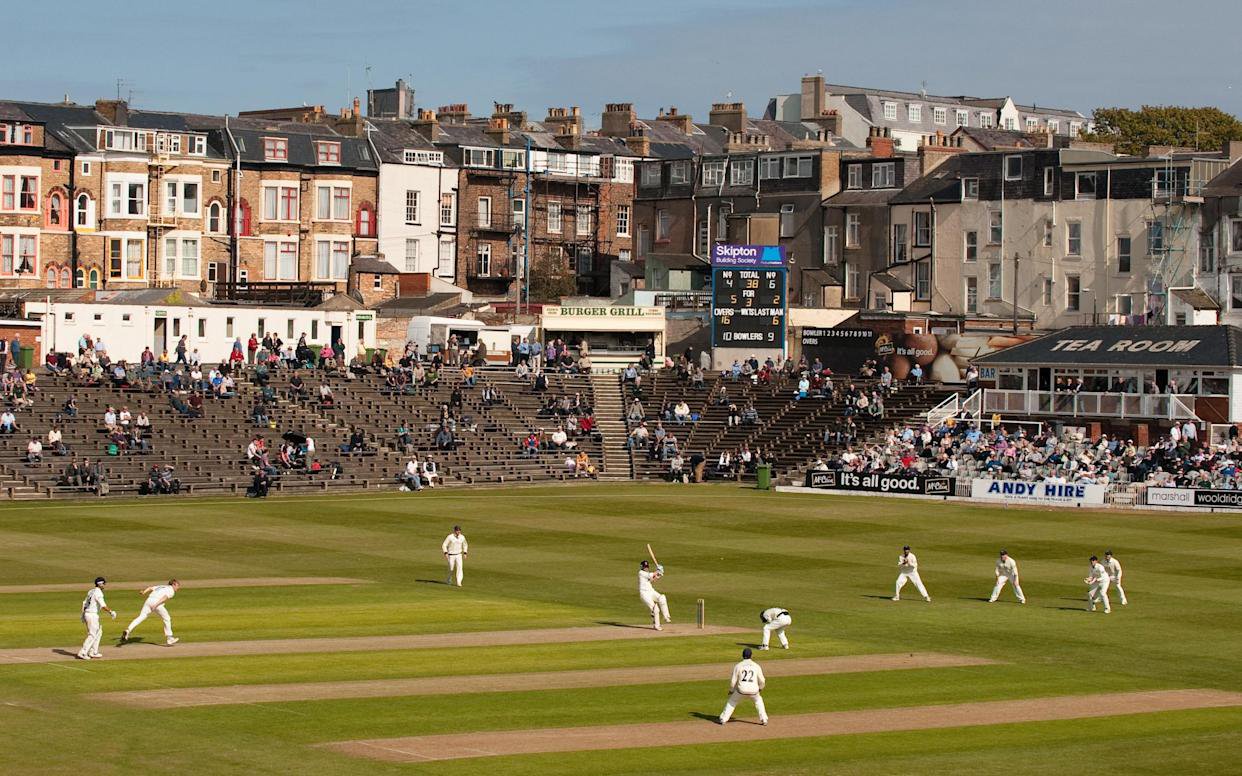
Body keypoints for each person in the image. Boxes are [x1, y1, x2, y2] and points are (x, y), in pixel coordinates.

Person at [121, 579, 181, 645]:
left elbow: (150, 588)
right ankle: (169, 639)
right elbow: (165, 597)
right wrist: (156, 605)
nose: (178, 587)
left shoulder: (162, 586)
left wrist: (144, 592)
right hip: (156, 602)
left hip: (148, 600)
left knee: (141, 617)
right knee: (167, 618)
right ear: (173, 584)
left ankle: (128, 630)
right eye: (178, 585)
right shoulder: (171, 590)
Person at [717, 647, 767, 726]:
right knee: (758, 701)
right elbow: (762, 680)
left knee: (732, 701)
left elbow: (733, 681)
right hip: (754, 690)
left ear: (742, 655)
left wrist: (731, 690)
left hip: (741, 690)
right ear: (751, 655)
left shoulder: (738, 666)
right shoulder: (756, 666)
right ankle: (764, 719)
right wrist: (760, 688)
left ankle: (723, 719)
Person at [77, 576, 116, 660]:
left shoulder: (91, 591)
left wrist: (83, 615)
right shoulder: (98, 593)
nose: (104, 586)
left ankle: (93, 652)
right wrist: (111, 612)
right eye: (103, 584)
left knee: (99, 632)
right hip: (92, 615)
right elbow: (103, 606)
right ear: (100, 584)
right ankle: (83, 652)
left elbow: (84, 603)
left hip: (88, 614)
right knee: (92, 634)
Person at [638, 559, 670, 630]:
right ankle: (656, 625)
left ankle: (666, 617)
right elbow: (651, 575)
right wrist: (658, 570)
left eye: (647, 566)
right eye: (645, 567)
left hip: (651, 591)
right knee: (655, 609)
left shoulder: (647, 573)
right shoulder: (641, 573)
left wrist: (659, 574)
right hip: (644, 594)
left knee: (662, 598)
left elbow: (653, 580)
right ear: (642, 567)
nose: (646, 568)